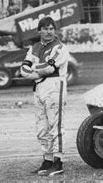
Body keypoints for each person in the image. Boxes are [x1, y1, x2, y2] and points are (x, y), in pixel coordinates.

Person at [20, 17, 69, 177]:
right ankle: (47, 160)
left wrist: (32, 69)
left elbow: (49, 68)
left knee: (55, 126)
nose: (49, 31)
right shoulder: (34, 47)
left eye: (51, 28)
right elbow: (22, 70)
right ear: (39, 30)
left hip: (55, 86)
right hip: (39, 87)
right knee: (42, 128)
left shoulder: (60, 47)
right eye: (45, 28)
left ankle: (58, 161)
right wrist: (34, 69)